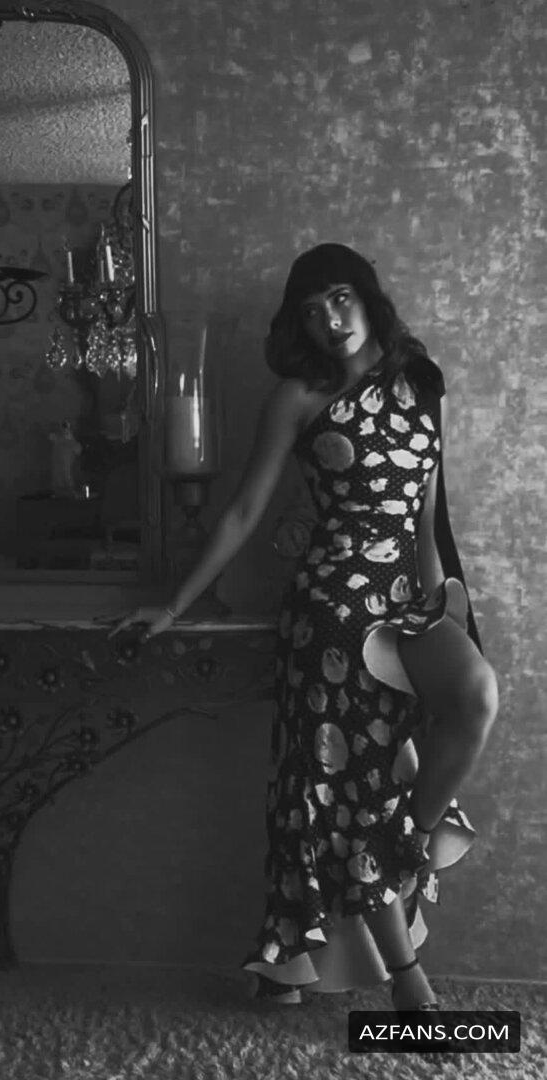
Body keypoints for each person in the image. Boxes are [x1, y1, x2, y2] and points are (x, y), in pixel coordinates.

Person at [110, 243, 499, 1012]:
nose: (330, 319)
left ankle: (406, 843)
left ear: (369, 298)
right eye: (313, 310)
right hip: (331, 611)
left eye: (341, 298)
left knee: (476, 697)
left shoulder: (423, 383)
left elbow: (428, 518)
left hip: (408, 602)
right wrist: (174, 606)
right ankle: (409, 986)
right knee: (358, 788)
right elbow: (245, 513)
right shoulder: (296, 397)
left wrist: (445, 612)